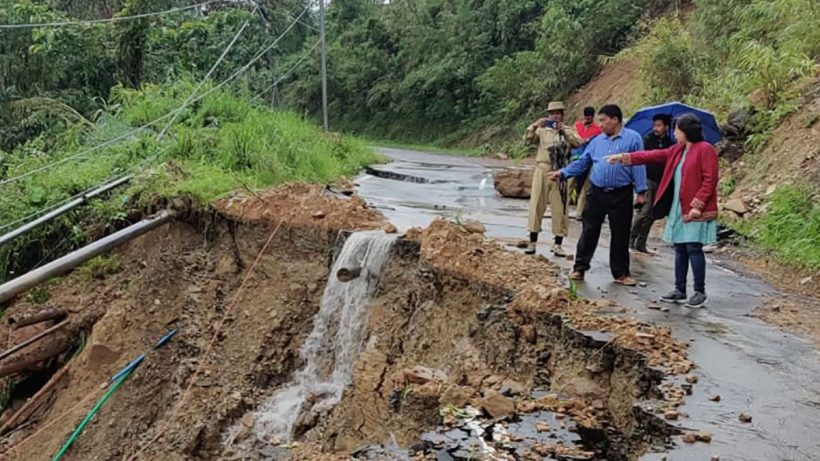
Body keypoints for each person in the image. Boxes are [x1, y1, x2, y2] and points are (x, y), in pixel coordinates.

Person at [607, 113, 719, 308]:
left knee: (693, 248)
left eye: (677, 130)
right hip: (678, 205)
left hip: (694, 208)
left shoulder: (705, 149)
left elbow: (710, 180)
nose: (674, 133)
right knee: (680, 248)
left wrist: (697, 205)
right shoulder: (678, 150)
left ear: (686, 131)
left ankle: (699, 291)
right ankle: (680, 289)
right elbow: (653, 155)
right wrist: (625, 158)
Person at [549, 104, 647, 286]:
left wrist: (641, 192)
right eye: (600, 121)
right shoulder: (597, 141)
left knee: (620, 234)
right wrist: (563, 173)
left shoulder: (633, 139)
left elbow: (639, 165)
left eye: (603, 120)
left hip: (621, 193)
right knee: (589, 231)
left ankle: (621, 273)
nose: (600, 124)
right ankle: (579, 268)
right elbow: (583, 163)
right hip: (596, 192)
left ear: (615, 120)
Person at [523, 101, 581, 256]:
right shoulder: (541, 130)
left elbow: (578, 143)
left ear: (563, 115)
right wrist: (534, 126)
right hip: (543, 168)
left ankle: (558, 244)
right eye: (552, 113)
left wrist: (564, 132)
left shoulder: (568, 130)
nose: (555, 116)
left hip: (560, 171)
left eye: (558, 113)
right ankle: (532, 241)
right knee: (536, 204)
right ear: (548, 115)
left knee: (560, 207)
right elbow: (527, 139)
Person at [630, 114, 673, 253]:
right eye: (655, 125)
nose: (656, 128)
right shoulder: (647, 140)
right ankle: (631, 237)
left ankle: (641, 242)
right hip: (647, 179)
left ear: (666, 127)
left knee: (653, 213)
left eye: (659, 125)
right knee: (645, 210)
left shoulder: (671, 143)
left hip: (662, 182)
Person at [570, 106, 602, 217]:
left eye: (589, 117)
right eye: (585, 117)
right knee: (569, 184)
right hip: (575, 159)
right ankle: (561, 210)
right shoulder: (577, 126)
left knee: (585, 187)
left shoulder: (598, 130)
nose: (586, 119)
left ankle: (580, 213)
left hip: (589, 161)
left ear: (593, 117)